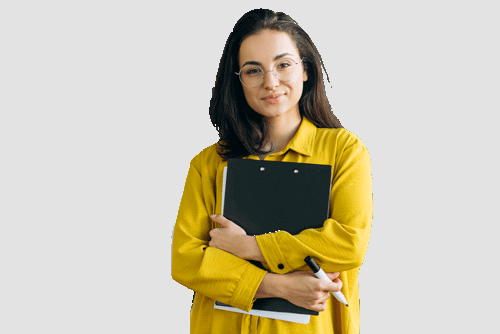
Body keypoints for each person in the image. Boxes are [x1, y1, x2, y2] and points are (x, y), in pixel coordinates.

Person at [172, 8, 372, 334]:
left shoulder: (344, 151)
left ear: (305, 69)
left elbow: (349, 244)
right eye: (253, 71)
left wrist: (250, 247)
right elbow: (185, 260)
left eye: (283, 65)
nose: (271, 82)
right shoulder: (208, 164)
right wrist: (275, 285)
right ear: (237, 81)